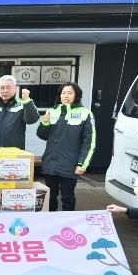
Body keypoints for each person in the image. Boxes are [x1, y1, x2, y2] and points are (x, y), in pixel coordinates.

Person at [36, 82, 96, 211]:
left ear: (76, 95)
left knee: (67, 198)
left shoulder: (85, 113)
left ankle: (67, 222)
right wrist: (45, 123)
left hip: (70, 164)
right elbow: (42, 135)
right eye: (63, 93)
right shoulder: (52, 111)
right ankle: (51, 221)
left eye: (69, 93)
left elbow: (89, 142)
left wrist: (82, 164)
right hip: (50, 163)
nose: (66, 96)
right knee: (50, 197)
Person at [0, 75, 39, 149]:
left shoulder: (22, 103)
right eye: (2, 88)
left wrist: (27, 100)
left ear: (15, 89)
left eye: (8, 87)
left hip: (15, 151)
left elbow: (31, 120)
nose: (5, 90)